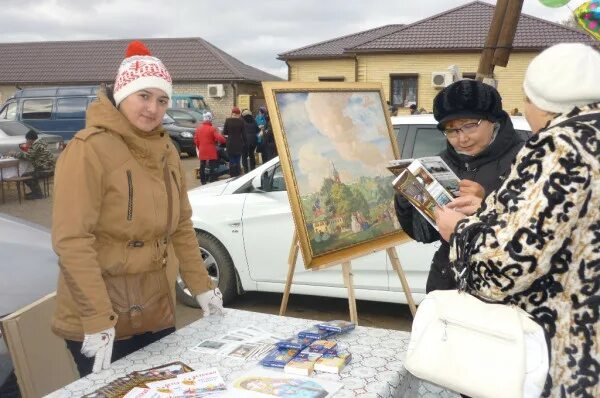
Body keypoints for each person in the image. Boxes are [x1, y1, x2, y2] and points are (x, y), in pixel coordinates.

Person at [51, 40, 224, 377]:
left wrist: (202, 286)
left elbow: (182, 226)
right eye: (143, 95)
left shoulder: (166, 150)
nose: (153, 108)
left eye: (161, 100)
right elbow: (72, 241)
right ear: (121, 94)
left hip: (153, 309)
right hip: (101, 315)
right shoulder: (88, 150)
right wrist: (98, 318)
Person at [435, 43, 600, 397]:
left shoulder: (561, 146)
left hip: (566, 346)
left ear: (541, 101)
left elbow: (509, 263)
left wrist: (458, 233)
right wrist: (487, 208)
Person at [394, 79, 528, 293]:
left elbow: (534, 235)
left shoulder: (526, 160)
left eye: (469, 126)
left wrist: (486, 204)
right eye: (452, 130)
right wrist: (407, 198)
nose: (462, 138)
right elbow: (425, 235)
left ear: (492, 120)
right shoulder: (442, 163)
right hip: (446, 283)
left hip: (501, 288)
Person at [8, 130, 55, 200]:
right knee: (31, 174)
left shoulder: (36, 146)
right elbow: (31, 155)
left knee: (25, 175)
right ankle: (36, 192)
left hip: (45, 170)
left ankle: (37, 194)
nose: (26, 141)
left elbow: (27, 156)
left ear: (30, 139)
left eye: (27, 139)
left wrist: (14, 153)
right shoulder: (41, 143)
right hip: (50, 169)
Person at [194, 112, 226, 184]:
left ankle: (203, 181)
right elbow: (219, 138)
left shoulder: (198, 129)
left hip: (202, 149)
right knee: (212, 165)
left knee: (202, 165)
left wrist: (199, 147)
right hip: (211, 149)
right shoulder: (212, 129)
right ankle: (212, 180)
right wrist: (224, 140)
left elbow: (196, 140)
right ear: (210, 119)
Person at [222, 107, 246, 177]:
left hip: (230, 143)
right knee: (238, 160)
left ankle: (232, 175)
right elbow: (244, 134)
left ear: (232, 113)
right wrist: (245, 143)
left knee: (231, 160)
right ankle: (237, 175)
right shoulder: (241, 121)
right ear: (238, 114)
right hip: (239, 143)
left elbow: (225, 132)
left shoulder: (227, 120)